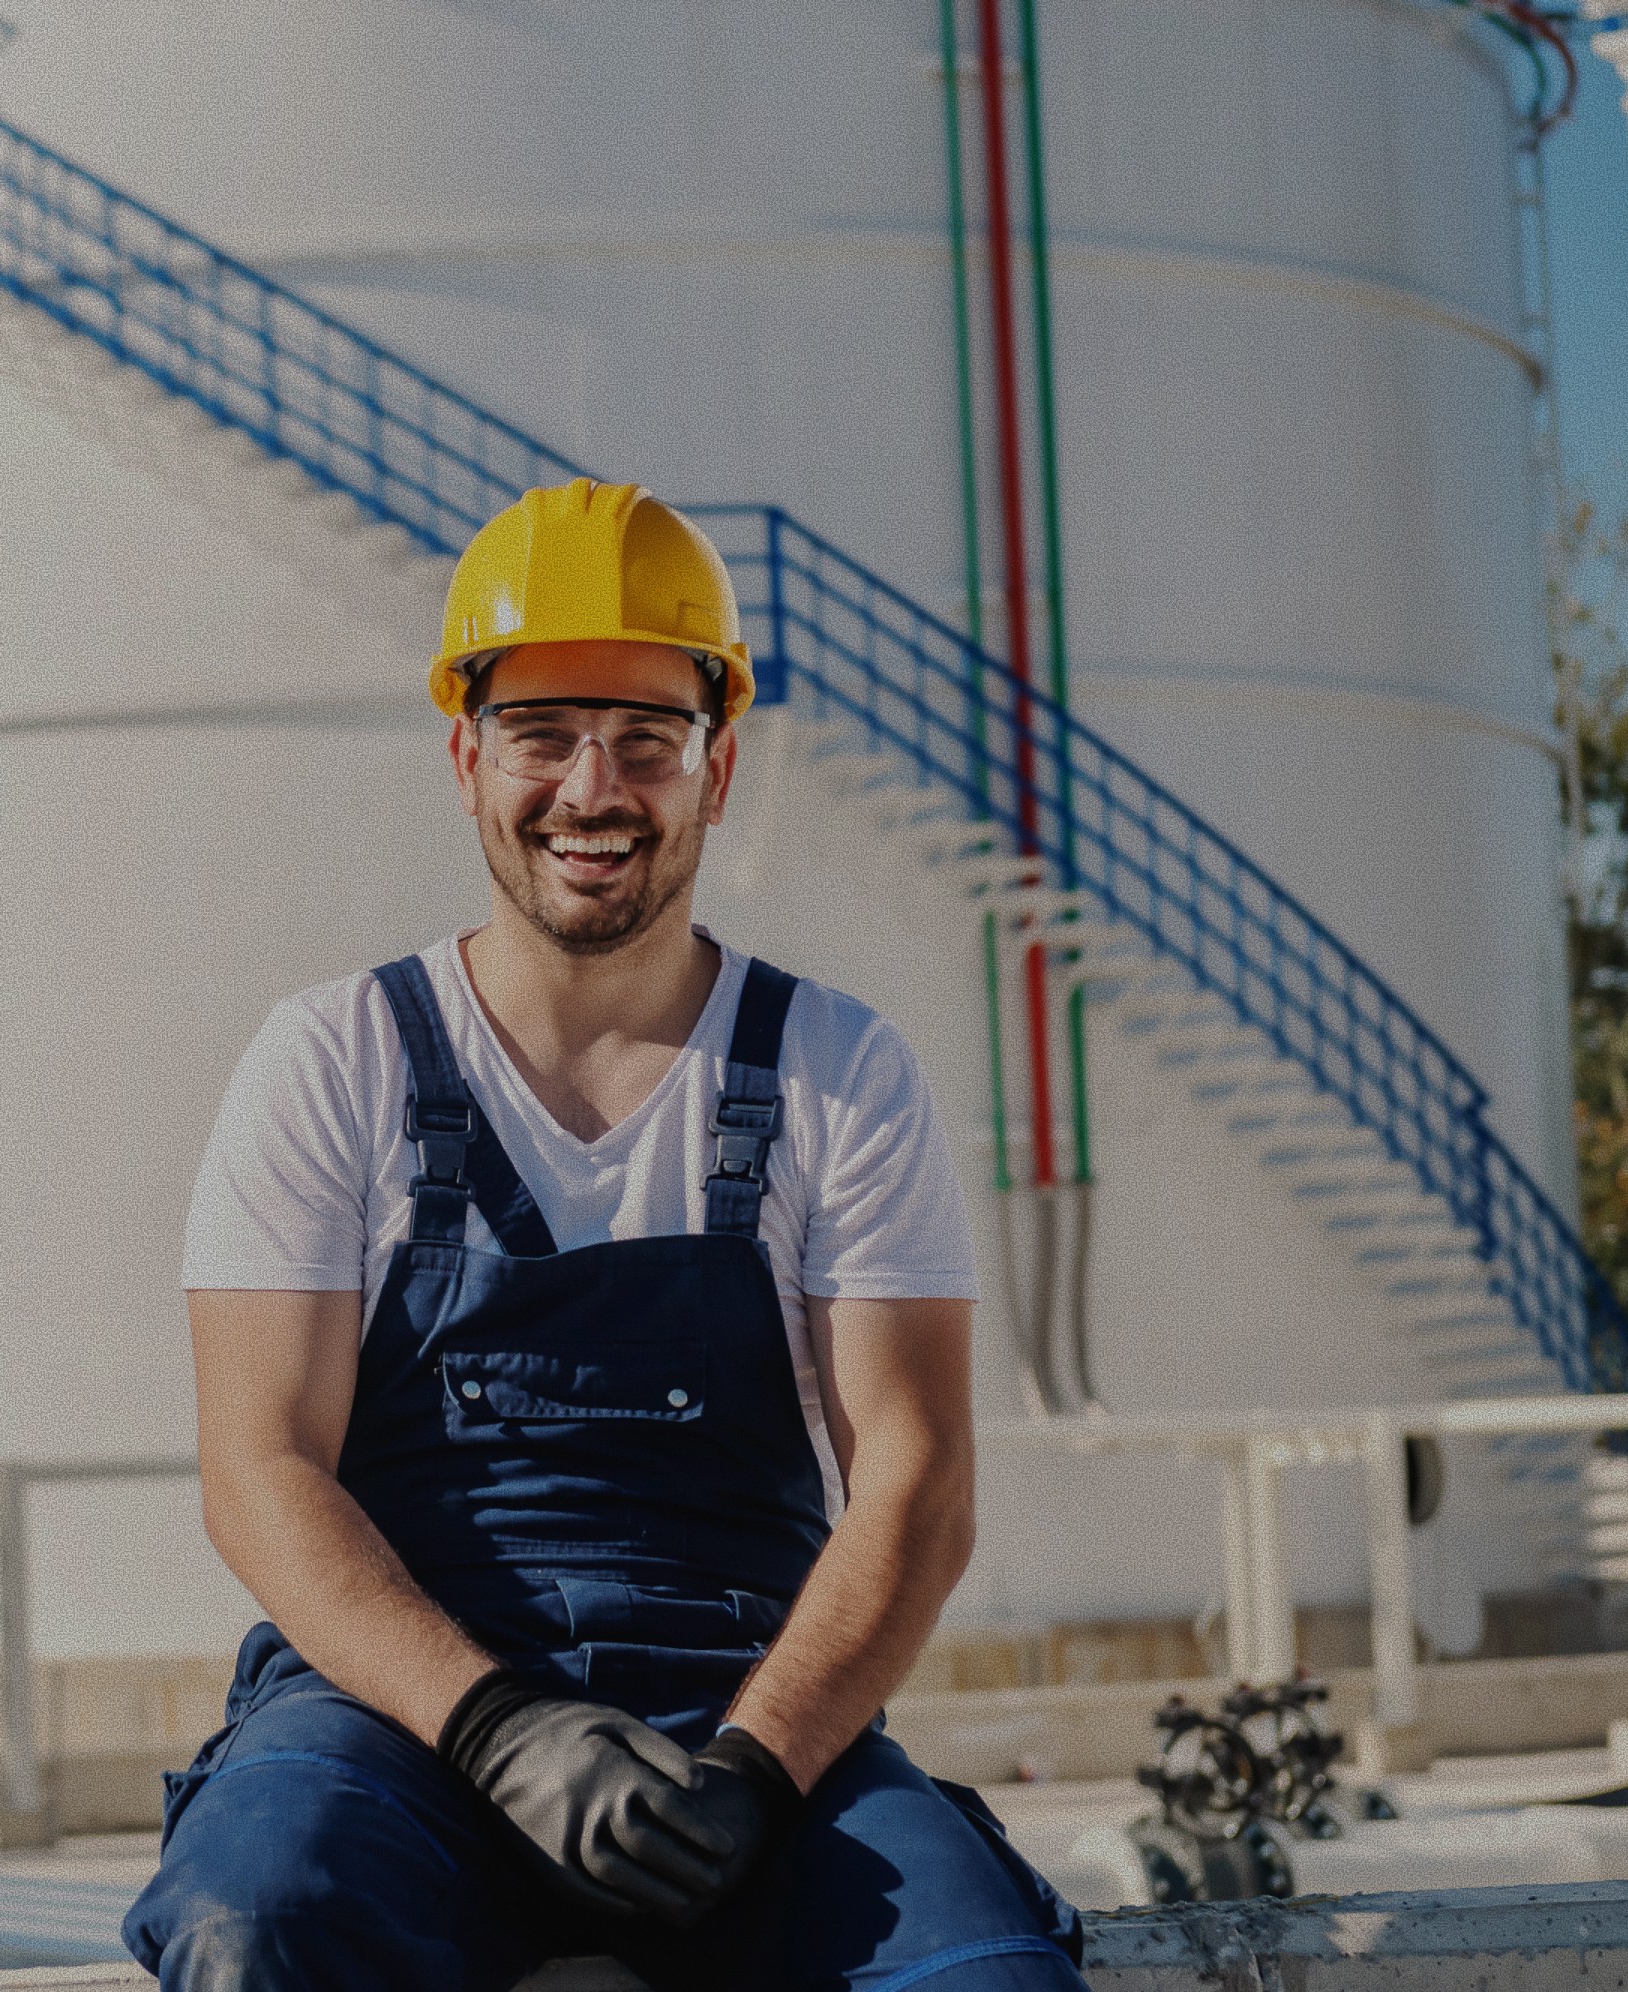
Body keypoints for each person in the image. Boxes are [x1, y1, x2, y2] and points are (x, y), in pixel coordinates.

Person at [124, 482, 1087, 1989]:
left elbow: (918, 1480)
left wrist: (758, 1774)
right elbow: (259, 1471)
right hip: (395, 1724)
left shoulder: (838, 1071)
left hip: (745, 1720)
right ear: (465, 756)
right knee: (262, 1916)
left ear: (718, 766)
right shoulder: (333, 1061)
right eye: (542, 734)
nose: (595, 787)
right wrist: (497, 1727)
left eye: (648, 738)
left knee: (983, 1978)